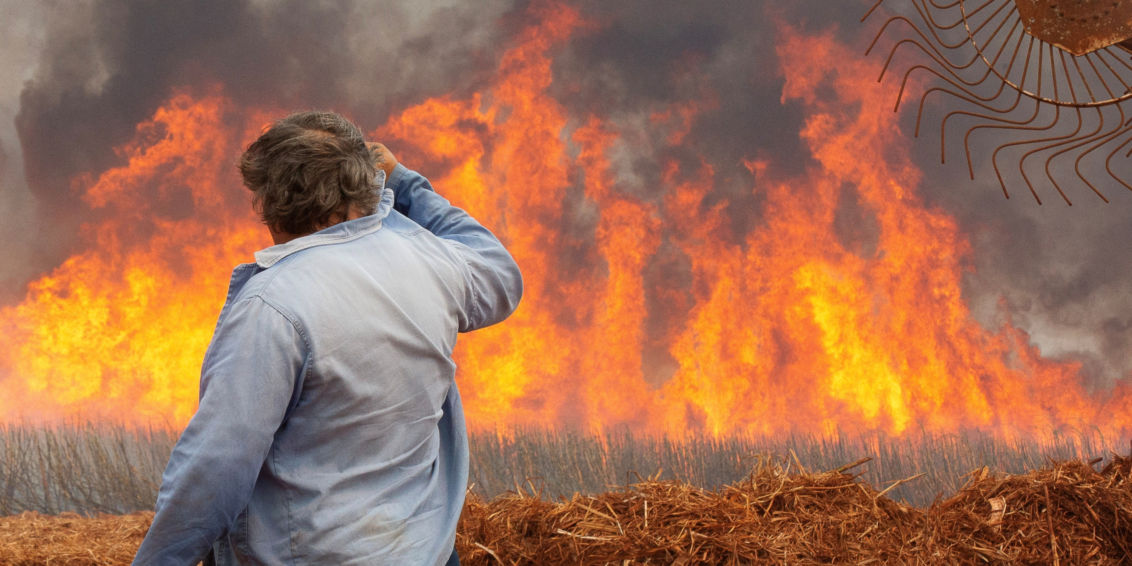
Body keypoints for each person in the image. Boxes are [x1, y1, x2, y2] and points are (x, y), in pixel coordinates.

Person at [132, 111, 523, 565]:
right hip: (425, 554)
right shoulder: (427, 261)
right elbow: (499, 272)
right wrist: (405, 187)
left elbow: (216, 465)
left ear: (272, 201)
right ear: (361, 188)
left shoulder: (273, 306)